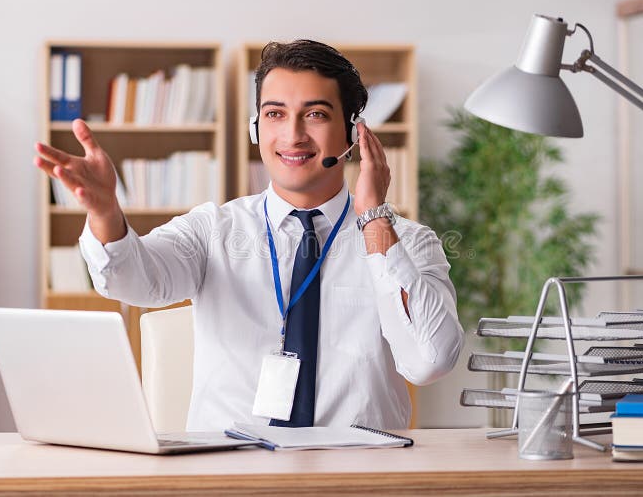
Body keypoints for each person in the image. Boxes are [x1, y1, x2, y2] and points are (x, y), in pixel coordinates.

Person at [34, 40, 463, 431]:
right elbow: (133, 281)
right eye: (275, 114)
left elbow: (430, 360)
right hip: (230, 469)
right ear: (256, 127)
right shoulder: (212, 230)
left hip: (354, 469)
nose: (292, 135)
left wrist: (374, 220)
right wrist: (106, 212)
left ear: (354, 132)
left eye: (315, 114)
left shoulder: (409, 242)